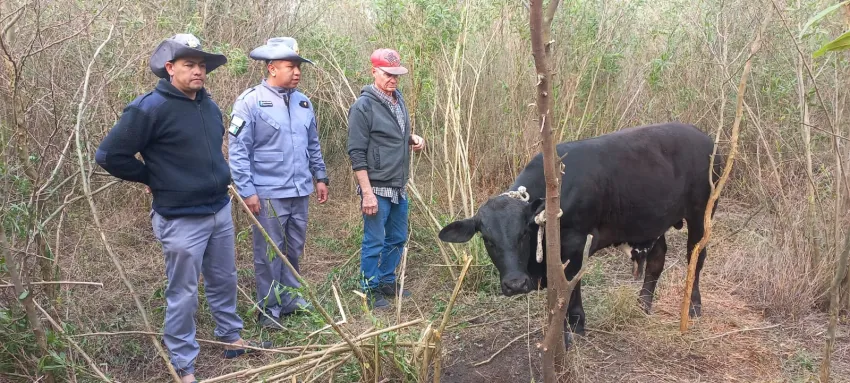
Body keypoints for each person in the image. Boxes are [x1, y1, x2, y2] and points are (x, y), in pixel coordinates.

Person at [95, 33, 269, 383]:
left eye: (202, 66)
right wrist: (153, 177)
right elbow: (109, 155)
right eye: (190, 65)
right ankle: (183, 363)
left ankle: (230, 336)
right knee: (183, 292)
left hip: (218, 208)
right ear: (170, 68)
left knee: (224, 278)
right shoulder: (148, 108)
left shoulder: (208, 104)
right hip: (180, 217)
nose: (198, 71)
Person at [228, 37, 329, 329]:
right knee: (269, 252)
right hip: (268, 193)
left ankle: (291, 299)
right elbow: (238, 151)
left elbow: (313, 144)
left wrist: (320, 176)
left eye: (299, 67)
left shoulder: (303, 102)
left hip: (300, 190)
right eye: (290, 66)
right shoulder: (250, 101)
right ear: (272, 68)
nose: (297, 72)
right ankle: (268, 308)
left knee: (294, 248)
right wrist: (247, 191)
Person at [346, 48, 425, 309]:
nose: (393, 79)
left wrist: (411, 138)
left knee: (398, 237)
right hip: (377, 187)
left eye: (396, 75)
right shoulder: (363, 106)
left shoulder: (397, 98)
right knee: (374, 240)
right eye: (387, 74)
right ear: (374, 72)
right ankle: (368, 290)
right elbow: (356, 152)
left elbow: (397, 133)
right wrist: (367, 193)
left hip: (398, 185)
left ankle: (387, 281)